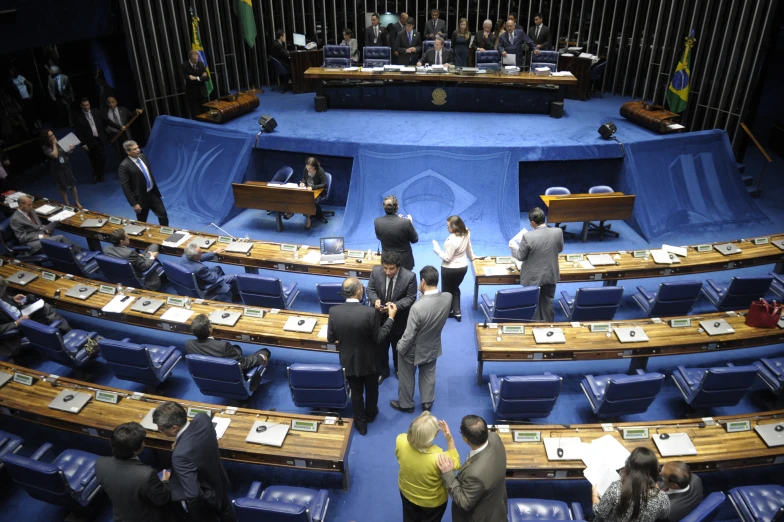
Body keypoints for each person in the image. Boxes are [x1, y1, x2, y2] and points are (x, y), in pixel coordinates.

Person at [327, 277, 397, 435]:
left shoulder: (334, 311)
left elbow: (331, 338)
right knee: (372, 390)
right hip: (370, 361)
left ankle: (361, 424)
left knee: (356, 392)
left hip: (348, 360)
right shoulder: (370, 313)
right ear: (359, 291)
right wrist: (391, 318)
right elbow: (379, 338)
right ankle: (371, 414)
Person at [152, 401, 236, 522]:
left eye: (161, 429)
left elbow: (193, 494)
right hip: (218, 479)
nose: (160, 431)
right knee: (226, 511)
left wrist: (197, 517)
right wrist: (181, 441)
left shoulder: (179, 456)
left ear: (174, 428)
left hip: (207, 496)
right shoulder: (203, 419)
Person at [391, 266, 451, 413]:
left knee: (406, 376)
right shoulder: (448, 297)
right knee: (428, 373)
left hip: (412, 349)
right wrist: (423, 296)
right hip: (432, 345)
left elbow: (409, 334)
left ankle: (406, 404)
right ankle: (427, 402)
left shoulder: (417, 307)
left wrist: (400, 347)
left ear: (422, 281)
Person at [95, 422, 174, 522]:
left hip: (121, 516)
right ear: (138, 448)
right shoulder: (147, 475)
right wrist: (165, 481)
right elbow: (162, 499)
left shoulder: (100, 463)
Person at [436, 415, 508, 522]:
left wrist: (449, 474)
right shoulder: (495, 437)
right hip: (497, 502)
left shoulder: (475, 475)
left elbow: (464, 502)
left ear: (466, 439)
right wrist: (449, 439)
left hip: (482, 516)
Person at [396, 413, 460, 522]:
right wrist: (450, 440)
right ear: (434, 436)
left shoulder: (400, 440)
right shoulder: (440, 458)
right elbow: (456, 463)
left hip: (407, 493)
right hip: (432, 503)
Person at [367, 251, 417, 384]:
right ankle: (383, 371)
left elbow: (411, 298)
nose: (388, 272)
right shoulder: (376, 272)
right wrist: (375, 300)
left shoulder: (409, 277)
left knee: (398, 347)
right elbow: (370, 289)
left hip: (398, 320)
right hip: (379, 319)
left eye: (391, 269)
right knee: (380, 348)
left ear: (398, 267)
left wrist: (395, 305)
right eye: (385, 268)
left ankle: (398, 368)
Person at [510, 207, 563, 322]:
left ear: (533, 223)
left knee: (532, 302)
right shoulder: (558, 231)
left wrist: (514, 248)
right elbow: (559, 249)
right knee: (548, 301)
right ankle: (549, 325)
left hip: (533, 277)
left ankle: (532, 325)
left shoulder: (528, 236)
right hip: (550, 274)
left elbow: (520, 256)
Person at [0, 275, 72, 359]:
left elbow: (3, 298)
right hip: (16, 325)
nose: (3, 293)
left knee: (45, 307)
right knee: (42, 318)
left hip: (20, 313)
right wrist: (17, 323)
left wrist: (13, 299)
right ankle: (60, 344)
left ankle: (68, 333)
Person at [592, 447, 670, 522]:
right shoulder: (662, 498)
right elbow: (663, 516)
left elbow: (599, 513)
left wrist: (594, 495)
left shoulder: (616, 489)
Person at [433, 215, 482, 322]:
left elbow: (447, 258)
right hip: (462, 268)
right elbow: (469, 248)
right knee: (454, 288)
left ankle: (448, 312)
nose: (447, 228)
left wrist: (437, 249)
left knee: (447, 291)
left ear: (454, 227)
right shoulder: (467, 232)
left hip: (449, 269)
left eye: (448, 226)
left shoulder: (452, 240)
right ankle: (457, 312)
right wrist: (472, 257)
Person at [185, 313, 270, 371]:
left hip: (209, 372)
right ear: (210, 329)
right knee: (265, 351)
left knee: (236, 348)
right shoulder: (223, 346)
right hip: (227, 373)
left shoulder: (189, 344)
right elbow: (244, 364)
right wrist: (260, 358)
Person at [118, 140, 169, 226]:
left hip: (153, 194)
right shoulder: (124, 166)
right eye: (134, 149)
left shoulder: (143, 157)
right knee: (141, 222)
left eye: (138, 147)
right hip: (141, 198)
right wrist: (134, 203)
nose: (138, 150)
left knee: (163, 215)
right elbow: (125, 187)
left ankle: (164, 234)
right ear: (128, 151)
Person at [10, 194, 81, 254]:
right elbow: (23, 238)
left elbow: (39, 225)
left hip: (42, 235)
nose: (31, 207)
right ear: (21, 206)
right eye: (29, 205)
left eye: (31, 204)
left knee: (60, 244)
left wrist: (47, 230)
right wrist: (40, 236)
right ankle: (79, 251)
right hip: (32, 243)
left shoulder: (30, 210)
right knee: (60, 238)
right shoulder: (15, 220)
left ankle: (74, 252)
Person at [40, 128, 82, 209]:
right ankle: (67, 204)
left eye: (53, 134)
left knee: (72, 184)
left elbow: (66, 152)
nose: (53, 136)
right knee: (62, 187)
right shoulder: (45, 147)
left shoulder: (58, 142)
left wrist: (71, 149)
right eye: (50, 136)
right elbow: (55, 155)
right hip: (57, 169)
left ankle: (77, 201)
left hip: (66, 165)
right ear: (46, 138)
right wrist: (54, 144)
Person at [375, 195, 419, 271]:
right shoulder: (405, 223)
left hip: (387, 263)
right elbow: (414, 239)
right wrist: (410, 224)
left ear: (384, 207)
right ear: (397, 207)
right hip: (404, 263)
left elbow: (379, 237)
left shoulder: (377, 222)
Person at [283, 156, 328, 228]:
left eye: (310, 168)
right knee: (296, 196)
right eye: (307, 167)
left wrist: (313, 187)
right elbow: (304, 178)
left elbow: (324, 184)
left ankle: (308, 218)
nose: (308, 169)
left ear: (315, 167)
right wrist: (302, 183)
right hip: (307, 189)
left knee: (308, 201)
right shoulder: (306, 169)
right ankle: (291, 211)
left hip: (319, 191)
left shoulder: (320, 171)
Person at [73, 97, 109, 183]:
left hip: (99, 139)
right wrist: (82, 144)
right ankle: (99, 175)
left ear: (89, 105)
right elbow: (78, 132)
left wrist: (119, 127)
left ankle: (98, 174)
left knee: (102, 157)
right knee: (93, 159)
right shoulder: (77, 116)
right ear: (81, 106)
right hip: (88, 141)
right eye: (84, 105)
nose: (86, 107)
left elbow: (107, 121)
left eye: (87, 105)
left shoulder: (96, 111)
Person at [182, 50, 209, 119]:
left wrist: (196, 78)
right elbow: (188, 79)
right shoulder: (184, 65)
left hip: (202, 91)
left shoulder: (201, 64)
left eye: (197, 59)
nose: (196, 61)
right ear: (190, 58)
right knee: (195, 111)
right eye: (194, 60)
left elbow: (207, 78)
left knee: (205, 110)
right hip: (192, 92)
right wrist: (201, 77)